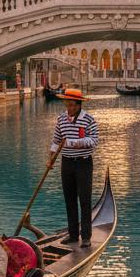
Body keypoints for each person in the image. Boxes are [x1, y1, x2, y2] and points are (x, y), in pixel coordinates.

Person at [49, 87, 99, 247]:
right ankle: (72, 235)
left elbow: (94, 141)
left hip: (84, 163)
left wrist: (72, 143)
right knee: (69, 199)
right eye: (67, 104)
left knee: (84, 200)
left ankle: (86, 237)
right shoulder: (61, 119)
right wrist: (50, 159)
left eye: (71, 105)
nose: (68, 108)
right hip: (67, 163)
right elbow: (56, 140)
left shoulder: (89, 120)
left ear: (78, 105)